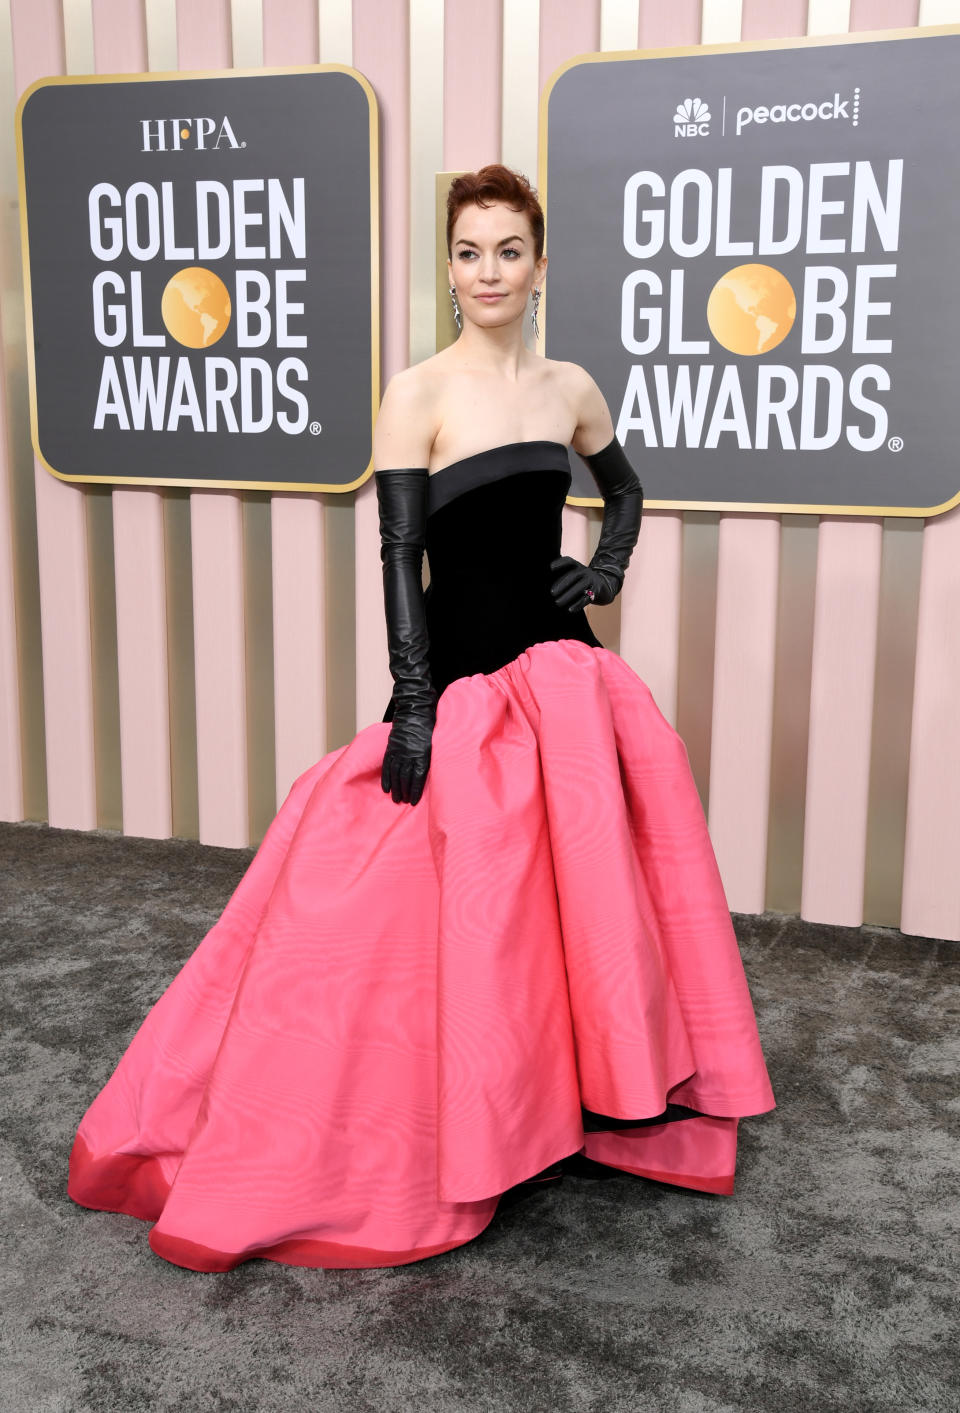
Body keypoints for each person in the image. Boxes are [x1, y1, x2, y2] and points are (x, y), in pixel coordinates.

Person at [67, 164, 775, 1273]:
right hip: (459, 678)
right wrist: (412, 707)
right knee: (405, 912)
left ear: (539, 266)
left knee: (568, 900)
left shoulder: (570, 386)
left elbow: (625, 490)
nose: (486, 270)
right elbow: (400, 557)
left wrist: (605, 568)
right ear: (448, 267)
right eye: (466, 250)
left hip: (562, 676)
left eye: (506, 250)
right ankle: (429, 1128)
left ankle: (569, 1107)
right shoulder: (419, 392)